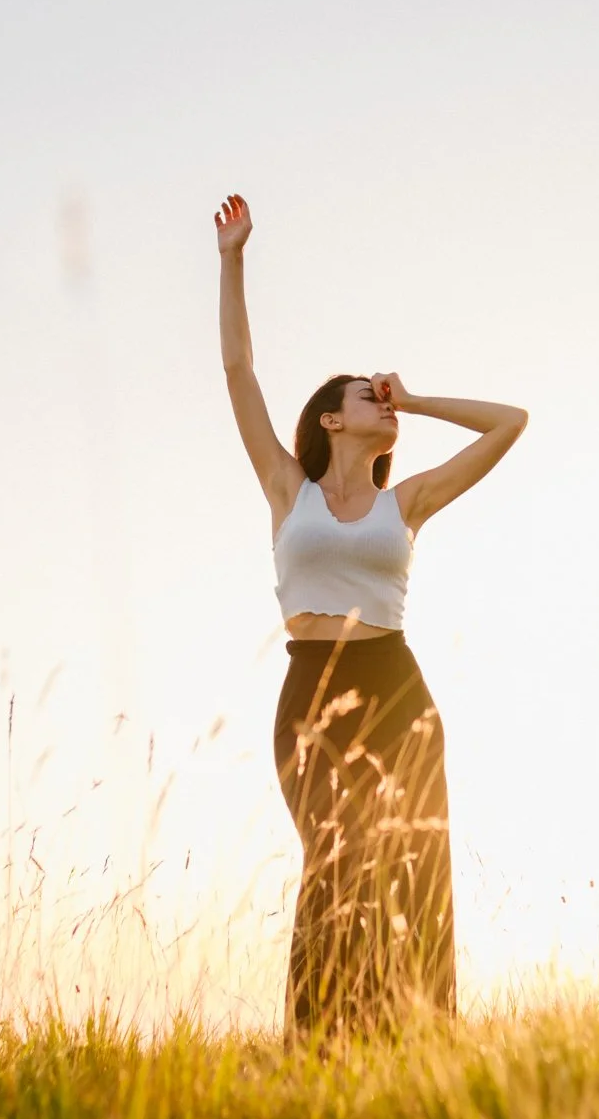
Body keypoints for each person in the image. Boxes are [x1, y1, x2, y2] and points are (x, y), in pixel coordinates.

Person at [216, 192, 528, 1055]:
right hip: (310, 689)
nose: (379, 401)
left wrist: (417, 400)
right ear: (329, 418)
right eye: (368, 395)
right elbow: (240, 375)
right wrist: (233, 260)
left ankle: (419, 1043)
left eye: (381, 395)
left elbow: (511, 423)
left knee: (416, 869)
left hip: (397, 689)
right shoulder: (290, 489)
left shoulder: (407, 502)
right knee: (335, 858)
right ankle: (319, 1047)